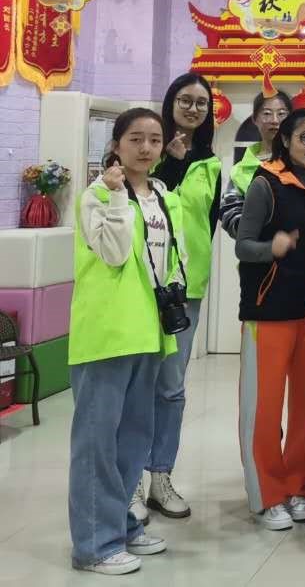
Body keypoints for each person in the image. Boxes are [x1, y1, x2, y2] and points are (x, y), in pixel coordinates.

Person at [68, 109, 186, 574]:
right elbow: (115, 254)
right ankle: (94, 545)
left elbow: (172, 258)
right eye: (135, 138)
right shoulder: (97, 194)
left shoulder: (163, 196)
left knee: (134, 440)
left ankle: (120, 524)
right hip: (107, 334)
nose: (145, 148)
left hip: (149, 332)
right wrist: (117, 196)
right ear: (116, 144)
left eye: (154, 139)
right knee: (97, 442)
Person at [236, 108, 305, 530]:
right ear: (285, 139)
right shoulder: (265, 183)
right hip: (269, 312)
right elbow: (244, 245)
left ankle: (300, 486)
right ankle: (268, 494)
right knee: (265, 410)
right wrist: (273, 247)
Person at [125, 74, 219, 524]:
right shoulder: (148, 152)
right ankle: (130, 482)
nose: (193, 108)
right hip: (138, 286)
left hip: (185, 291)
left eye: (201, 102)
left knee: (171, 388)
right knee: (135, 385)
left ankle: (160, 476)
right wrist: (172, 161)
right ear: (171, 102)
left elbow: (209, 225)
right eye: (185, 100)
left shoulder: (212, 164)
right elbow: (142, 201)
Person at [219, 90, 293, 239]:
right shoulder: (240, 170)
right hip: (257, 249)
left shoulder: (300, 161)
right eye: (267, 113)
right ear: (255, 119)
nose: (275, 120)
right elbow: (229, 214)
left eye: (281, 113)